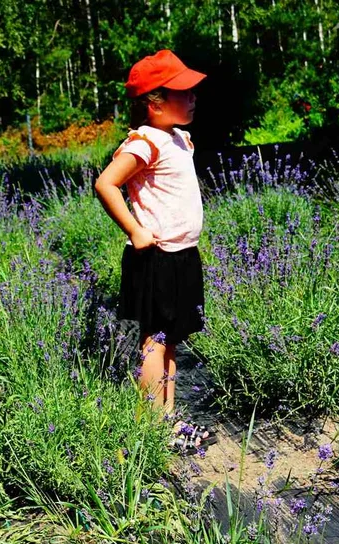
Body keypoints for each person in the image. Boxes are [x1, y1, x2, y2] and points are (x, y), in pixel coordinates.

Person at [93, 49, 213, 450]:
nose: (193, 97)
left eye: (194, 91)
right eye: (184, 92)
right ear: (154, 102)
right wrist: (135, 229)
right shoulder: (145, 143)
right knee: (155, 341)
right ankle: (149, 429)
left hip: (182, 255)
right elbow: (106, 184)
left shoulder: (178, 137)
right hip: (156, 257)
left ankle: (168, 421)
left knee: (173, 338)